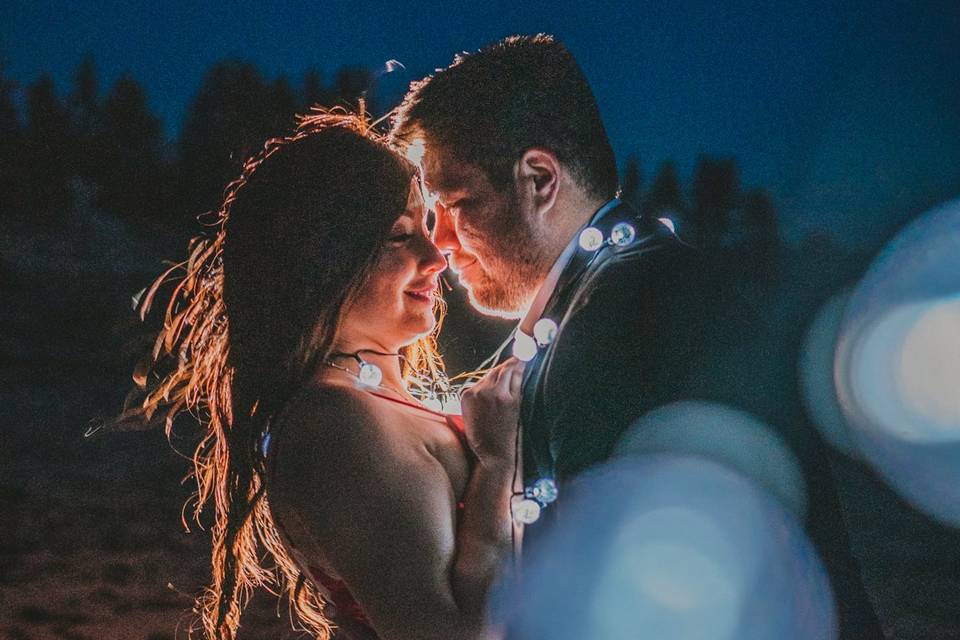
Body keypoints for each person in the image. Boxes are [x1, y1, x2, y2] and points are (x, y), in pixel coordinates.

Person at [390, 34, 883, 637]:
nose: (440, 243)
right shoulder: (617, 288)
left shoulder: (628, 313)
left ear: (539, 179)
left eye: (456, 204)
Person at [128, 113, 522, 640]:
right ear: (321, 260)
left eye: (426, 229)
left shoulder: (368, 404)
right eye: (398, 236)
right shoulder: (336, 422)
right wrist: (499, 466)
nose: (434, 257)